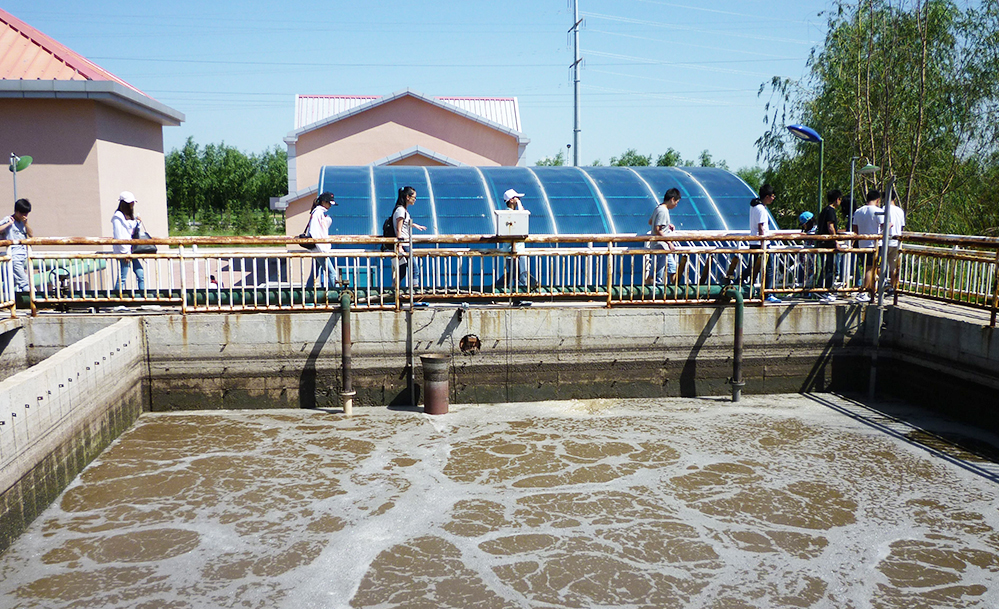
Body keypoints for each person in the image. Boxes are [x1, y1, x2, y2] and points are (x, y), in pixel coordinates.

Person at [743, 184, 781, 303]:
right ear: (767, 196)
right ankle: (768, 292)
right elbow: (761, 228)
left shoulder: (754, 206)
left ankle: (739, 284)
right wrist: (763, 244)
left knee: (752, 267)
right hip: (762, 243)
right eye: (772, 196)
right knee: (769, 268)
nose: (773, 198)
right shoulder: (761, 209)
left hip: (754, 241)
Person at [498, 188, 535, 292]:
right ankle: (522, 295)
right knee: (521, 275)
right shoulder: (510, 214)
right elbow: (522, 216)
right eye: (516, 198)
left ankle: (499, 288)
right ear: (511, 200)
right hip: (516, 250)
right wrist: (519, 204)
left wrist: (518, 203)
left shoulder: (508, 213)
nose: (519, 199)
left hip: (511, 250)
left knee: (513, 274)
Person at [852, 189, 883, 302]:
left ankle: (871, 291)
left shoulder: (858, 211)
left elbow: (855, 229)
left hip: (862, 243)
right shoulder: (878, 211)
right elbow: (884, 226)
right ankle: (864, 291)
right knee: (870, 268)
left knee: (868, 267)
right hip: (874, 244)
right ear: (877, 200)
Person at [111, 191, 145, 292]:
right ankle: (117, 298)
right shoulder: (117, 217)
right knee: (122, 277)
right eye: (130, 202)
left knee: (140, 274)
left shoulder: (128, 216)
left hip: (131, 250)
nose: (132, 204)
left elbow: (132, 230)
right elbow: (118, 236)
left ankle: (143, 296)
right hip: (124, 251)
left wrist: (137, 222)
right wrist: (124, 252)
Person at [645, 188, 681, 285]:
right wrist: (669, 243)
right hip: (661, 245)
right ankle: (651, 289)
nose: (676, 205)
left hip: (660, 245)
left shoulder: (658, 208)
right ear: (672, 199)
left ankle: (675, 289)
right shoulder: (663, 211)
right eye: (676, 202)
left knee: (672, 268)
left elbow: (651, 222)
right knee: (657, 272)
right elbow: (657, 229)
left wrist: (667, 225)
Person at [393, 186, 426, 288]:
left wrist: (414, 225)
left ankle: (394, 290)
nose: (415, 199)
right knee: (414, 269)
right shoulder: (400, 210)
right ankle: (415, 290)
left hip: (405, 243)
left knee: (402, 270)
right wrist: (400, 245)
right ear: (407, 197)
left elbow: (404, 224)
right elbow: (399, 229)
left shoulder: (403, 210)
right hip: (404, 244)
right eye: (414, 197)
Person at [305, 192, 338, 289]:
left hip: (317, 248)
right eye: (329, 203)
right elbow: (314, 231)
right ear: (323, 202)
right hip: (319, 249)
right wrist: (321, 248)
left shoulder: (318, 213)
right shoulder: (318, 213)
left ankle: (307, 294)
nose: (330, 206)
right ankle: (338, 293)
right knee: (332, 272)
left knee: (314, 273)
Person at [816, 189, 843, 303]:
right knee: (830, 268)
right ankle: (825, 290)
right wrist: (836, 240)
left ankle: (820, 288)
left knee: (826, 267)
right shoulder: (831, 211)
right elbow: (830, 226)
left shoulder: (824, 210)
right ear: (837, 199)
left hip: (822, 242)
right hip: (828, 244)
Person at [1, 198, 32, 293]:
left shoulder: (24, 222)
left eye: (26, 214)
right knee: (22, 279)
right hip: (14, 254)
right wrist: (9, 224)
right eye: (22, 213)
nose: (24, 216)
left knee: (12, 278)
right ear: (17, 211)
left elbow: (31, 235)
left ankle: (6, 296)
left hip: (24, 253)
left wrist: (26, 223)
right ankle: (29, 290)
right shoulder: (8, 219)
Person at [885, 189, 906, 293]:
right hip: (897, 242)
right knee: (894, 267)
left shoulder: (883, 209)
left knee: (879, 265)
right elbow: (902, 227)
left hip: (884, 242)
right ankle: (893, 288)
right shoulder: (900, 211)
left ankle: (880, 285)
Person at [797, 210, 816, 293]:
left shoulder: (815, 231)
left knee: (810, 276)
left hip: (812, 259)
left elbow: (813, 235)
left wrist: (805, 235)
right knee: (802, 273)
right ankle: (803, 292)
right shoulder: (809, 231)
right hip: (806, 260)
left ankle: (808, 292)